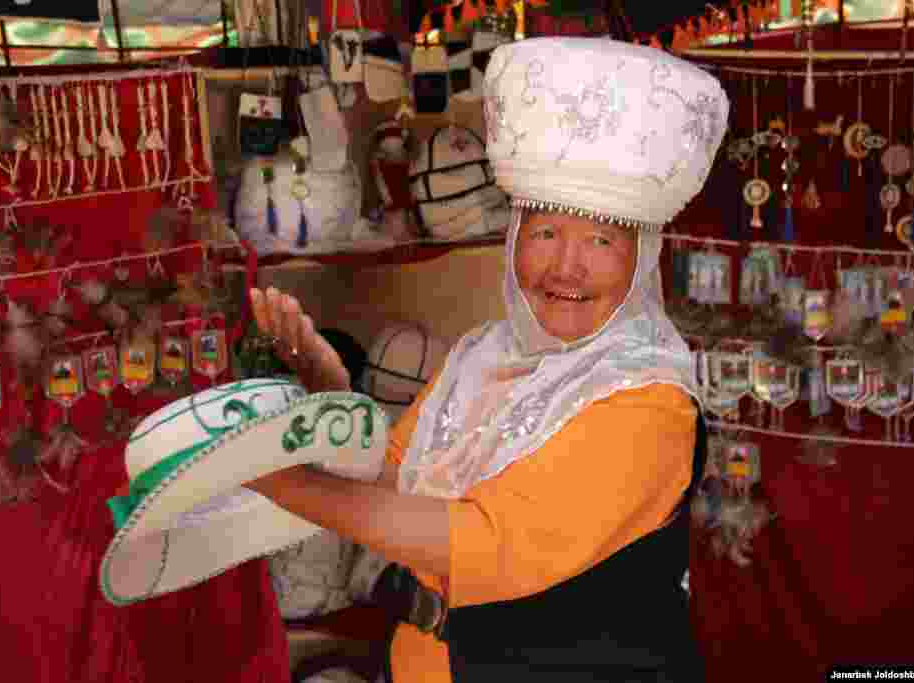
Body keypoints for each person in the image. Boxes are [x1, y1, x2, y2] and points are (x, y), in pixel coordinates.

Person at [245, 37, 727, 682]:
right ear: (514, 239)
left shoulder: (647, 399)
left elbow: (476, 541)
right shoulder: (482, 355)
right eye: (546, 232)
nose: (567, 267)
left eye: (601, 241)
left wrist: (275, 480)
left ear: (641, 260)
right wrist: (326, 385)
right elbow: (389, 481)